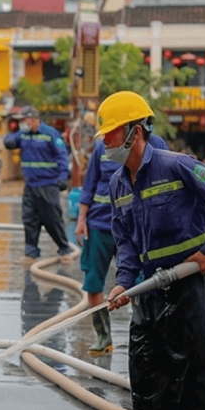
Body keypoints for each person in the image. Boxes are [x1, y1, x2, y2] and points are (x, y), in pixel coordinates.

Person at [101, 91, 205, 410]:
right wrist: (123, 282)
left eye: (110, 134)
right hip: (147, 284)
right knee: (147, 366)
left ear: (133, 132)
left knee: (195, 369)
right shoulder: (117, 183)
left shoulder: (175, 165)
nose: (105, 143)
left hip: (187, 279)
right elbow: (124, 239)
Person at [74, 129, 168, 356]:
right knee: (94, 281)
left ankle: (143, 336)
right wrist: (81, 219)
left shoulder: (155, 144)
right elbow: (89, 184)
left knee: (140, 283)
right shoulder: (102, 147)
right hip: (99, 225)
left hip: (133, 226)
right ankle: (103, 337)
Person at [3, 105, 74, 264]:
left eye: (24, 120)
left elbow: (62, 156)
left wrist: (63, 177)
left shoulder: (50, 134)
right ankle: (31, 253)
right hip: (30, 185)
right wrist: (9, 139)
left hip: (48, 184)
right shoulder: (24, 135)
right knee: (29, 219)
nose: (22, 123)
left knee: (52, 219)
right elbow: (11, 141)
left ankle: (64, 250)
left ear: (33, 119)